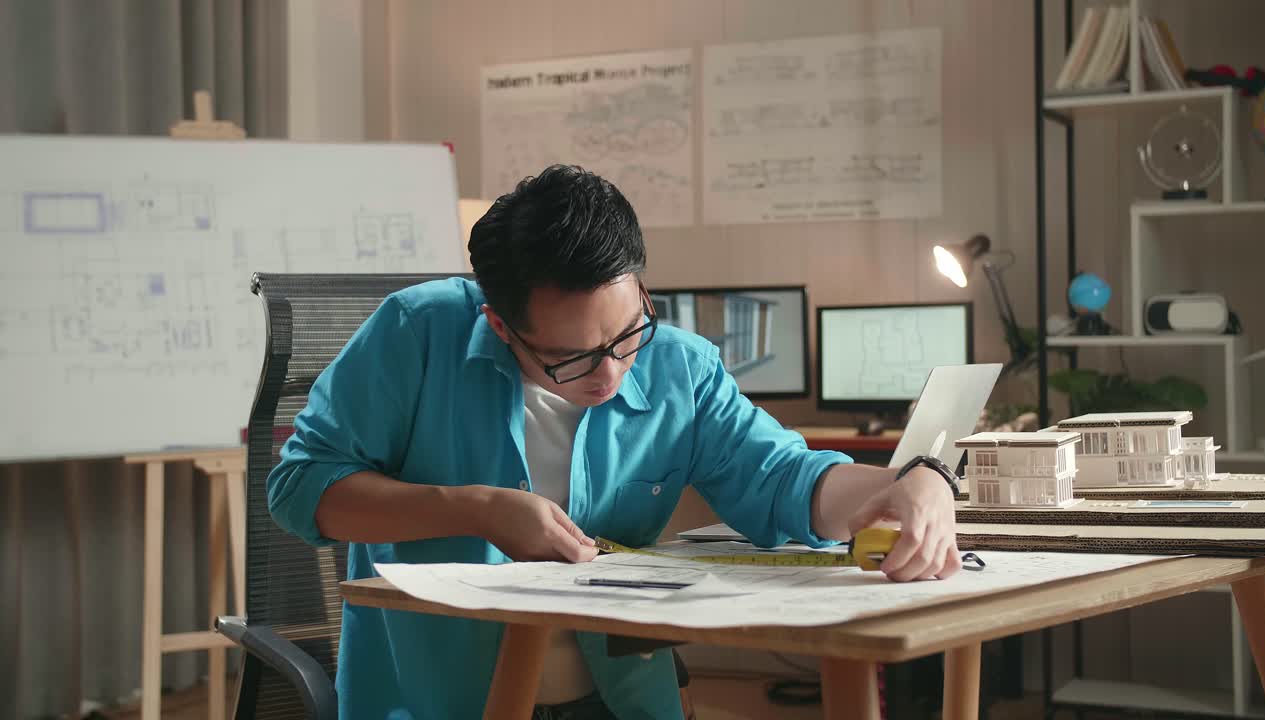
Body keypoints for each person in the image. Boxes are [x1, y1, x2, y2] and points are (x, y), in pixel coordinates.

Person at [267, 164, 962, 720]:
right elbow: (301, 490)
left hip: (617, 697)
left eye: (628, 333)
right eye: (570, 357)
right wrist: (479, 509)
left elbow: (782, 480)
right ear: (501, 326)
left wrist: (907, 481)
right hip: (437, 700)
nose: (609, 373)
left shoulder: (681, 365)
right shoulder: (416, 335)